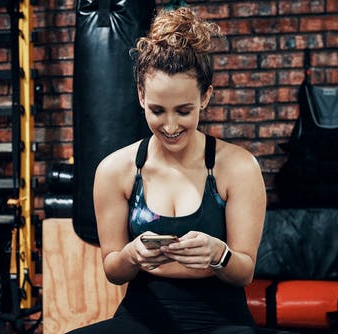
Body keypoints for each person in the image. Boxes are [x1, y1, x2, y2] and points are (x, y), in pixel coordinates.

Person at [69, 7, 267, 334]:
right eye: (158, 110)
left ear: (205, 98)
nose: (171, 125)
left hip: (221, 319)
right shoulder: (115, 170)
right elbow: (113, 270)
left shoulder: (239, 167)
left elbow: (244, 272)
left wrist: (219, 255)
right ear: (141, 95)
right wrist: (131, 255)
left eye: (184, 110)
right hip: (142, 315)